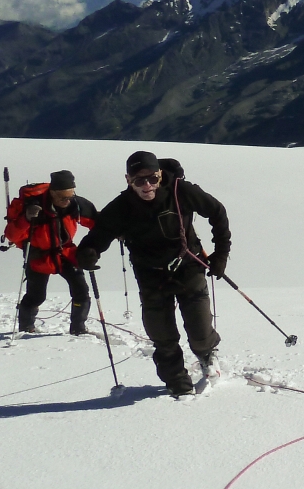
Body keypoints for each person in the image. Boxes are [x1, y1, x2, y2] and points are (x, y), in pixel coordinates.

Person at [77, 151, 229, 397]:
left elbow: (217, 212)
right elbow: (98, 237)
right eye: (139, 180)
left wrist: (220, 255)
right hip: (150, 275)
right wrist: (87, 253)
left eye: (152, 178)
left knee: (200, 329)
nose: (147, 185)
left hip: (188, 266)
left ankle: (207, 355)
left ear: (160, 175)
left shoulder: (181, 191)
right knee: (162, 335)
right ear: (128, 180)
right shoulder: (121, 207)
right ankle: (177, 381)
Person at [3, 171, 98, 334]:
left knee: (81, 291)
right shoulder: (34, 208)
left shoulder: (76, 205)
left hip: (66, 253)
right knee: (37, 296)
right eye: (63, 197)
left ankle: (78, 327)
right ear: (52, 192)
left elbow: (97, 225)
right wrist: (26, 218)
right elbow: (11, 235)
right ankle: (26, 327)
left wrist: (94, 247)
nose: (67, 201)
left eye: (70, 196)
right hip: (39, 256)